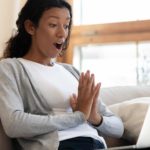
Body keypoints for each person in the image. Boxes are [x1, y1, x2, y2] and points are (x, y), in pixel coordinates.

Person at [0, 0, 124, 150]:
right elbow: (14, 124)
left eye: (66, 26)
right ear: (30, 27)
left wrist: (95, 118)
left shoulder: (72, 72)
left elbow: (118, 128)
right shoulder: (11, 68)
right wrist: (78, 117)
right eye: (53, 25)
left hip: (96, 145)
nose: (62, 33)